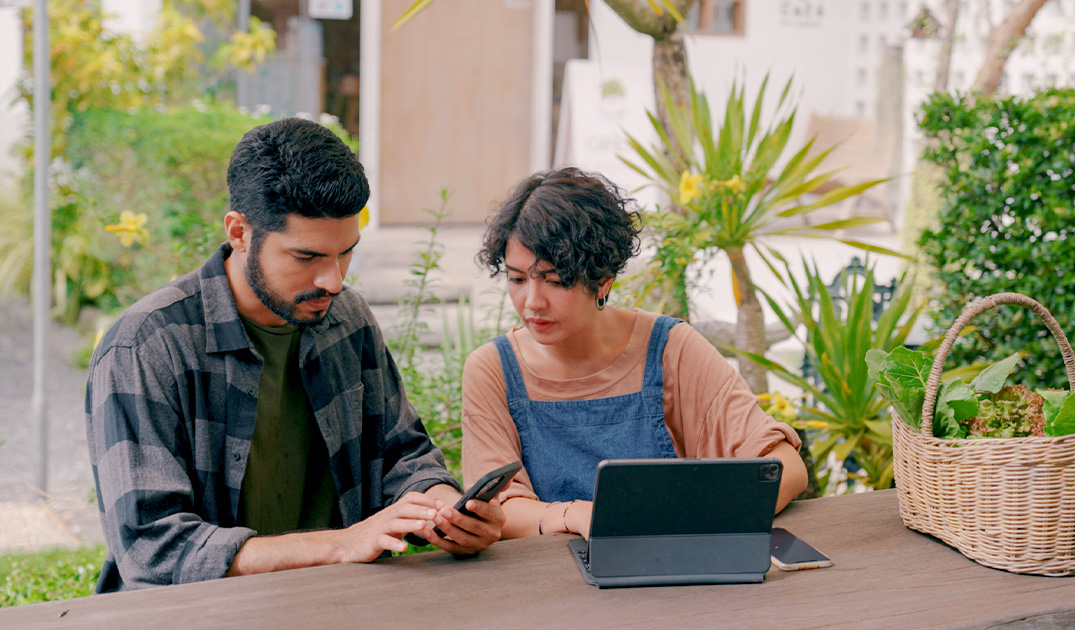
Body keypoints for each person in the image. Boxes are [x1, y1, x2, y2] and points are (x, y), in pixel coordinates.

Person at [85, 118, 503, 592]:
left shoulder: (347, 318)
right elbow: (152, 548)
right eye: (307, 258)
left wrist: (443, 507)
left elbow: (402, 454)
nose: (334, 280)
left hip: (341, 606)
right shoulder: (144, 347)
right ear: (239, 232)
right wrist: (340, 545)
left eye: (346, 253)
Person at [460, 167, 807, 540]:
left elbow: (784, 466)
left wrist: (680, 516)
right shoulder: (492, 369)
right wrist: (577, 515)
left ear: (603, 280)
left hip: (668, 579)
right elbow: (497, 511)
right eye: (516, 279)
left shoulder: (671, 348)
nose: (531, 302)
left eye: (556, 280)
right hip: (545, 586)